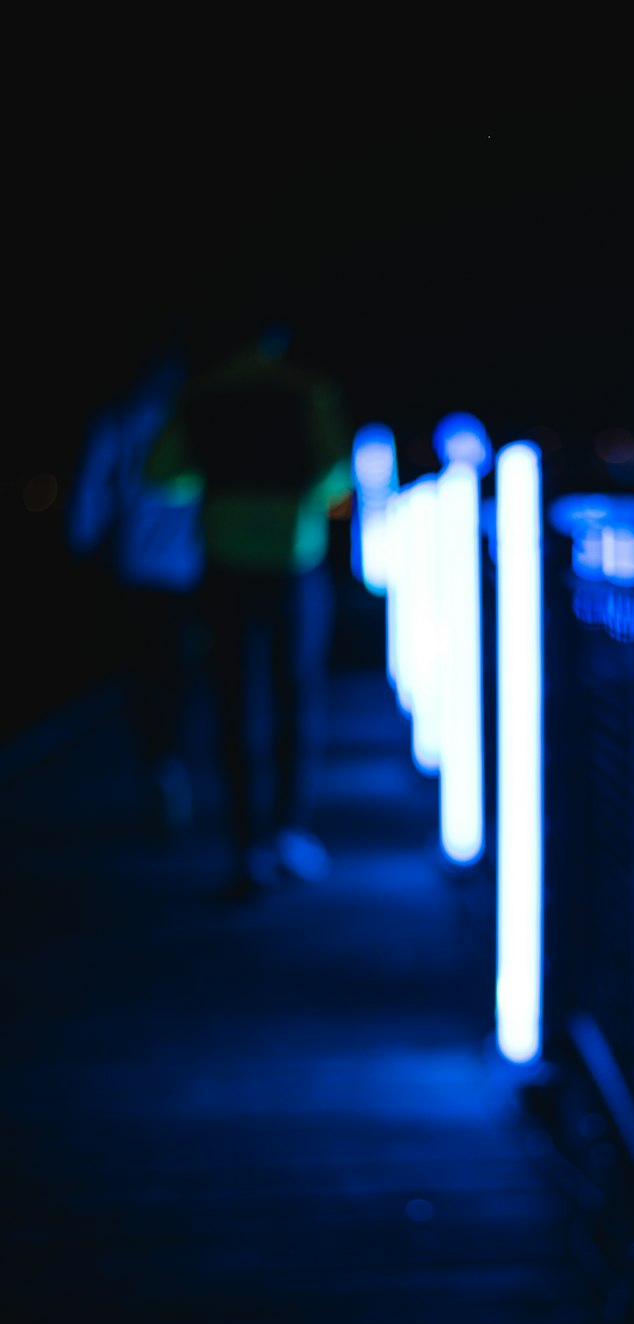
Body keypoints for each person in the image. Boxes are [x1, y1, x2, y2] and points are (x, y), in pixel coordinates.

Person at [145, 317, 353, 898]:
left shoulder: (203, 396)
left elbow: (163, 473)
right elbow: (337, 476)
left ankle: (245, 847)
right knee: (297, 696)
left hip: (226, 566)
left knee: (235, 703)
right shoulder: (308, 391)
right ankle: (290, 830)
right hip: (294, 561)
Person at [66, 339, 203, 833]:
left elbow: (90, 491)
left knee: (149, 674)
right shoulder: (188, 419)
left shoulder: (122, 421)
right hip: (184, 568)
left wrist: (83, 543)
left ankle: (161, 766)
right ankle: (171, 766)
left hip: (138, 567)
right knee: (174, 673)